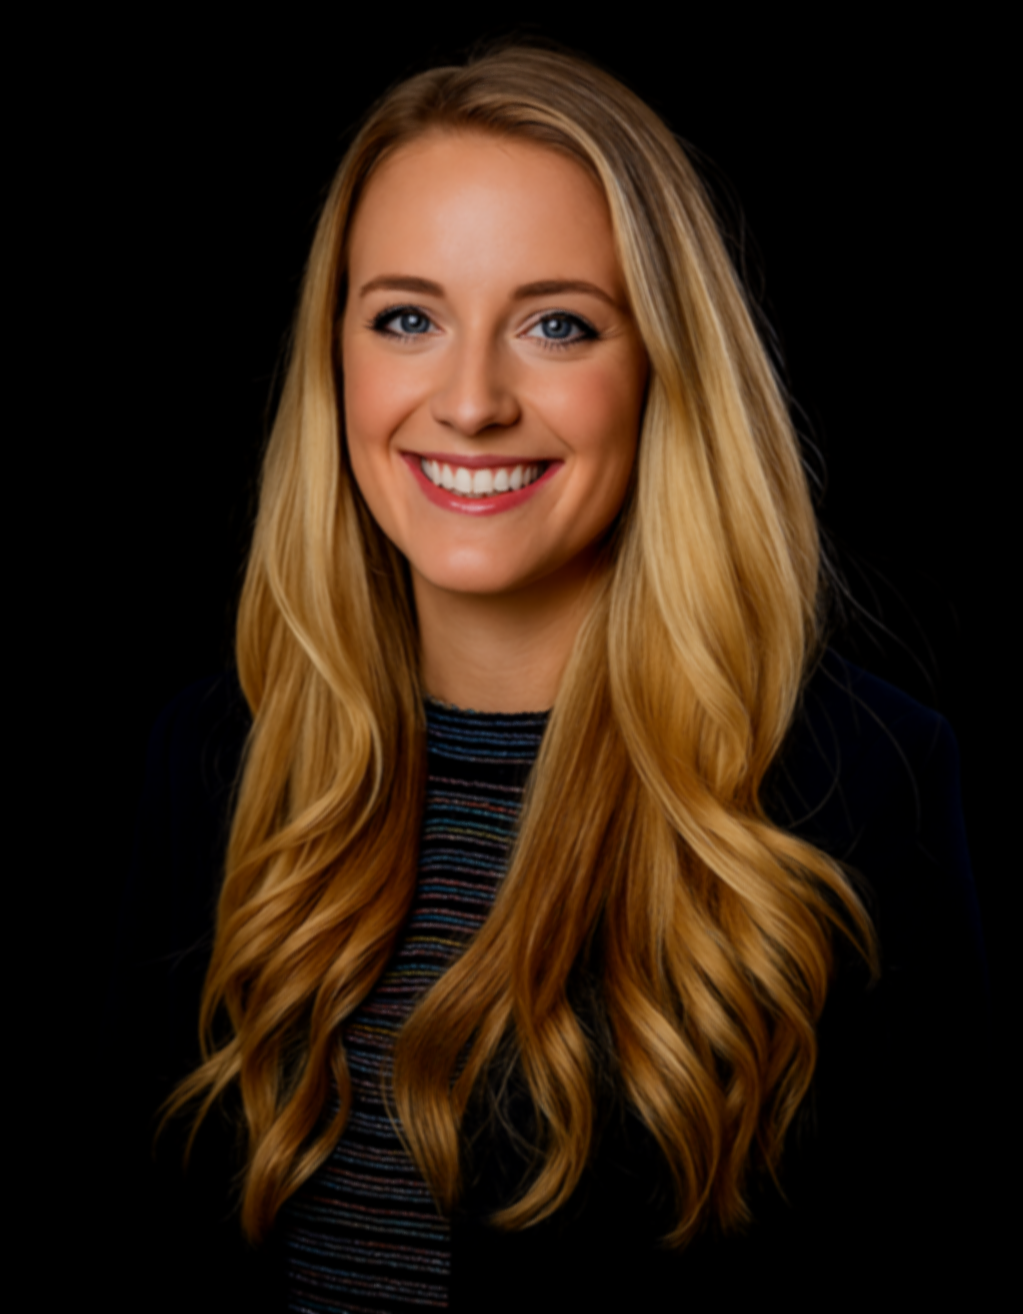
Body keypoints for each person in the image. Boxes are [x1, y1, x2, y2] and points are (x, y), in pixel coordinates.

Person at [107, 40, 989, 1313]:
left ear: (662, 368)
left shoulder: (858, 781)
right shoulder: (212, 754)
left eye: (557, 325)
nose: (470, 402)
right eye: (408, 318)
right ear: (336, 356)